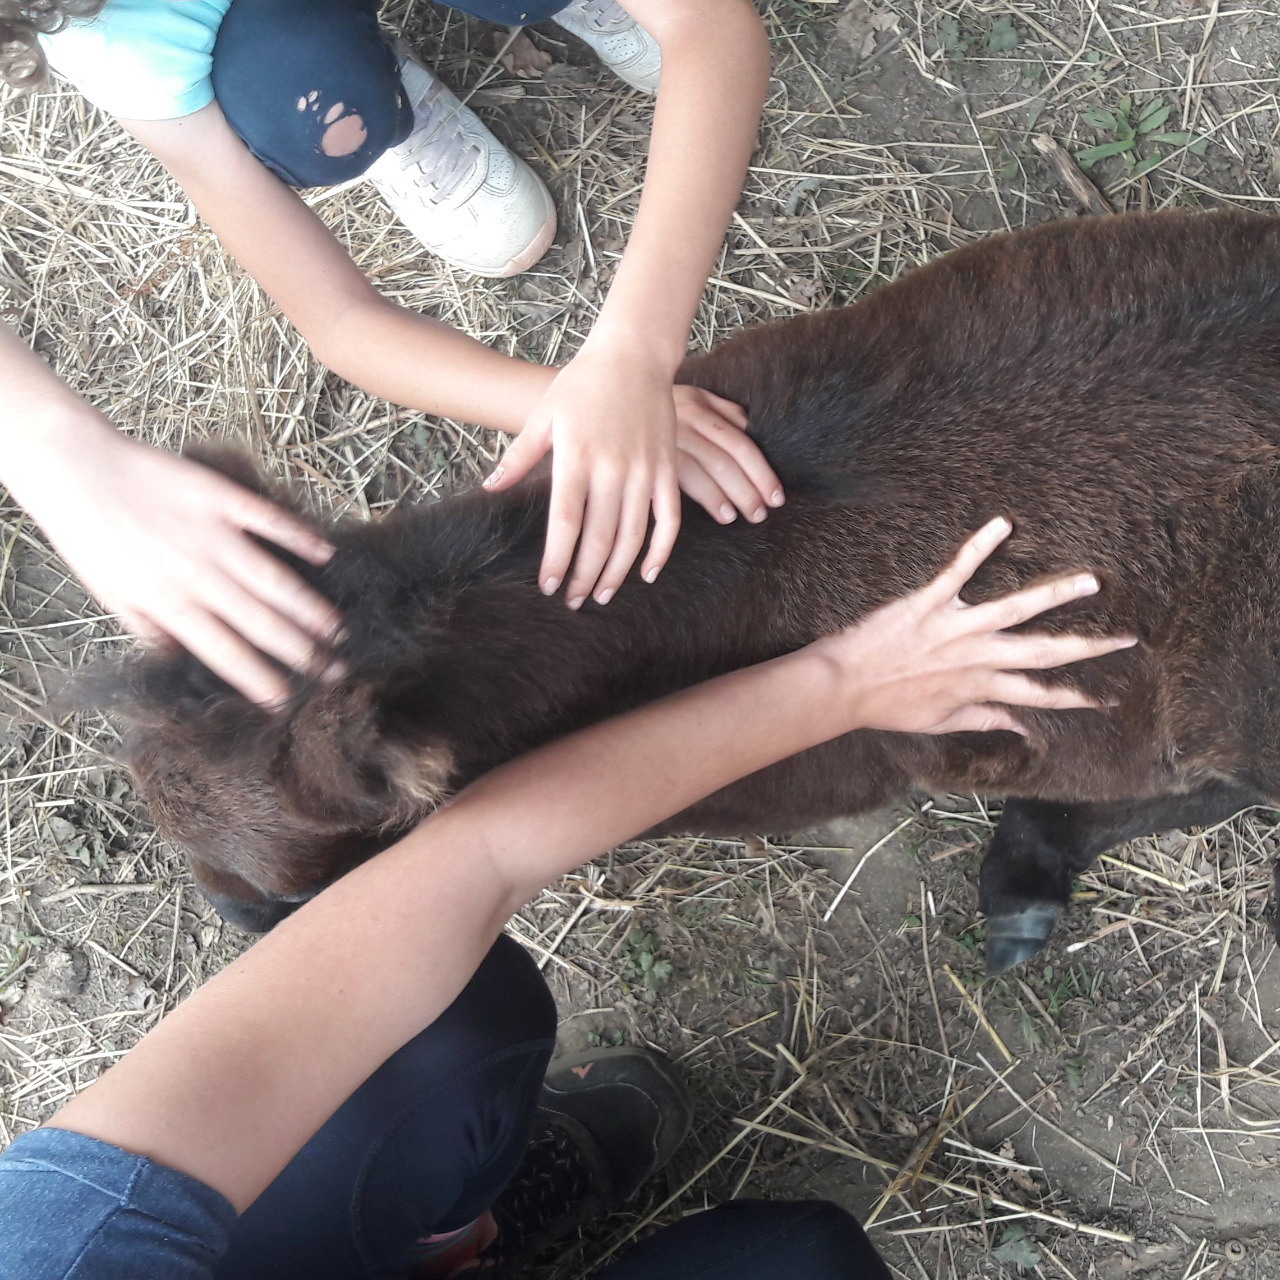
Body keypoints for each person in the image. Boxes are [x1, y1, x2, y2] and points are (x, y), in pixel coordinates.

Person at [0, 519, 1136, 1278]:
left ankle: (447, 1241)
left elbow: (475, 857)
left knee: (440, 1022)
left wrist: (844, 678)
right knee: (803, 1256)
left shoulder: (71, 1249)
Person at [0, 0, 781, 708]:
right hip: (257, 31)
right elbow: (338, 322)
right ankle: (376, 106)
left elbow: (710, 24)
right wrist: (575, 406)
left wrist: (635, 352)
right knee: (305, 99)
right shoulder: (124, 39)